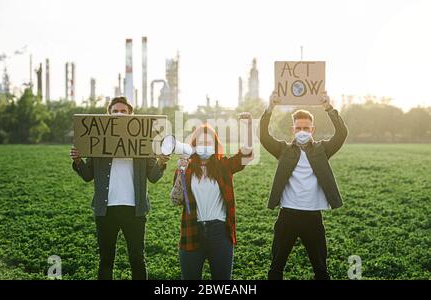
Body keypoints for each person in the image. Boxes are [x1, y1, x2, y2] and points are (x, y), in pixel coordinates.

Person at [70, 96, 170, 280]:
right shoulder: (99, 144)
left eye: (123, 111)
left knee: (137, 258)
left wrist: (161, 162)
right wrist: (77, 160)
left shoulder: (143, 143)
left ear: (131, 115)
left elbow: (154, 177)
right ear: (108, 115)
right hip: (105, 210)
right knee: (106, 259)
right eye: (115, 111)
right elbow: (87, 176)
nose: (119, 114)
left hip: (135, 210)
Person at [260, 91, 348, 280]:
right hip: (287, 216)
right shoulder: (283, 150)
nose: (302, 131)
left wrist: (328, 108)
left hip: (313, 217)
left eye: (306, 128)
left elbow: (341, 134)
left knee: (321, 270)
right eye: (299, 127)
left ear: (312, 130)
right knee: (276, 268)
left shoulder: (322, 150)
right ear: (293, 129)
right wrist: (270, 107)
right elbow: (264, 136)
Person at [170, 123, 253, 280]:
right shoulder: (186, 169)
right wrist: (181, 172)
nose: (204, 146)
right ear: (193, 145)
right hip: (192, 230)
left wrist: (248, 126)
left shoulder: (224, 166)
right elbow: (175, 200)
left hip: (220, 232)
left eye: (208, 143)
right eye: (201, 143)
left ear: (215, 145)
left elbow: (247, 154)